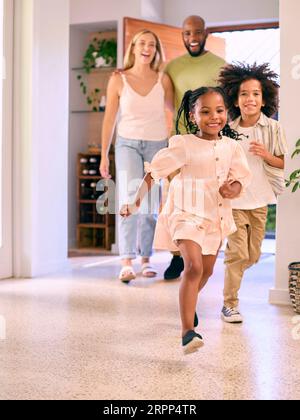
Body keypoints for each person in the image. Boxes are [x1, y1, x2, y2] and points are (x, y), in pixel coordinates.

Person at [121, 87, 251, 354]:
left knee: (206, 271)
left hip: (215, 215)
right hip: (185, 212)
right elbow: (154, 172)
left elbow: (241, 179)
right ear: (193, 116)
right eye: (205, 112)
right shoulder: (183, 144)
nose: (213, 117)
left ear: (226, 113)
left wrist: (233, 189)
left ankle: (188, 306)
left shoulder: (231, 147)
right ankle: (187, 332)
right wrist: (134, 203)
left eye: (219, 110)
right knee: (192, 267)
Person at [100, 30, 174, 283]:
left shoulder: (163, 79)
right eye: (142, 43)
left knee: (150, 205)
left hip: (157, 145)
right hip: (127, 144)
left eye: (152, 45)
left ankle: (146, 259)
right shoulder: (118, 79)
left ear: (156, 51)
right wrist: (103, 155)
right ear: (133, 47)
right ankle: (127, 261)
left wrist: (174, 149)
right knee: (129, 200)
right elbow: (109, 119)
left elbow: (174, 114)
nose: (147, 48)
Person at [218, 62, 288, 323]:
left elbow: (283, 162)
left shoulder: (273, 128)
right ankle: (229, 304)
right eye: (245, 94)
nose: (250, 99)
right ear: (235, 100)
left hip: (260, 202)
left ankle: (232, 269)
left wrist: (266, 155)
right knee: (237, 254)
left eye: (256, 94)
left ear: (264, 98)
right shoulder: (228, 130)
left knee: (252, 255)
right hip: (234, 202)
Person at [163, 15, 226, 281]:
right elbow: (168, 103)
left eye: (197, 32)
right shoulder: (172, 67)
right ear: (182, 35)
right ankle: (177, 256)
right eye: (187, 33)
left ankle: (201, 255)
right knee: (176, 201)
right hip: (180, 140)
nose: (192, 38)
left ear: (206, 33)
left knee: (205, 199)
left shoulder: (220, 65)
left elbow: (226, 104)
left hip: (210, 142)